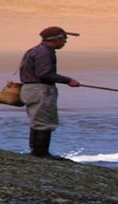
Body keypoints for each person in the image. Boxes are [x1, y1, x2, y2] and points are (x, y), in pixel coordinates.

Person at [19, 26, 81, 159]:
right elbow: (45, 74)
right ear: (57, 39)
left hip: (31, 89)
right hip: (40, 90)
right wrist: (68, 80)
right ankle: (41, 154)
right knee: (44, 122)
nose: (66, 42)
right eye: (64, 39)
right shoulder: (45, 52)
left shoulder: (34, 50)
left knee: (37, 121)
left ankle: (36, 153)